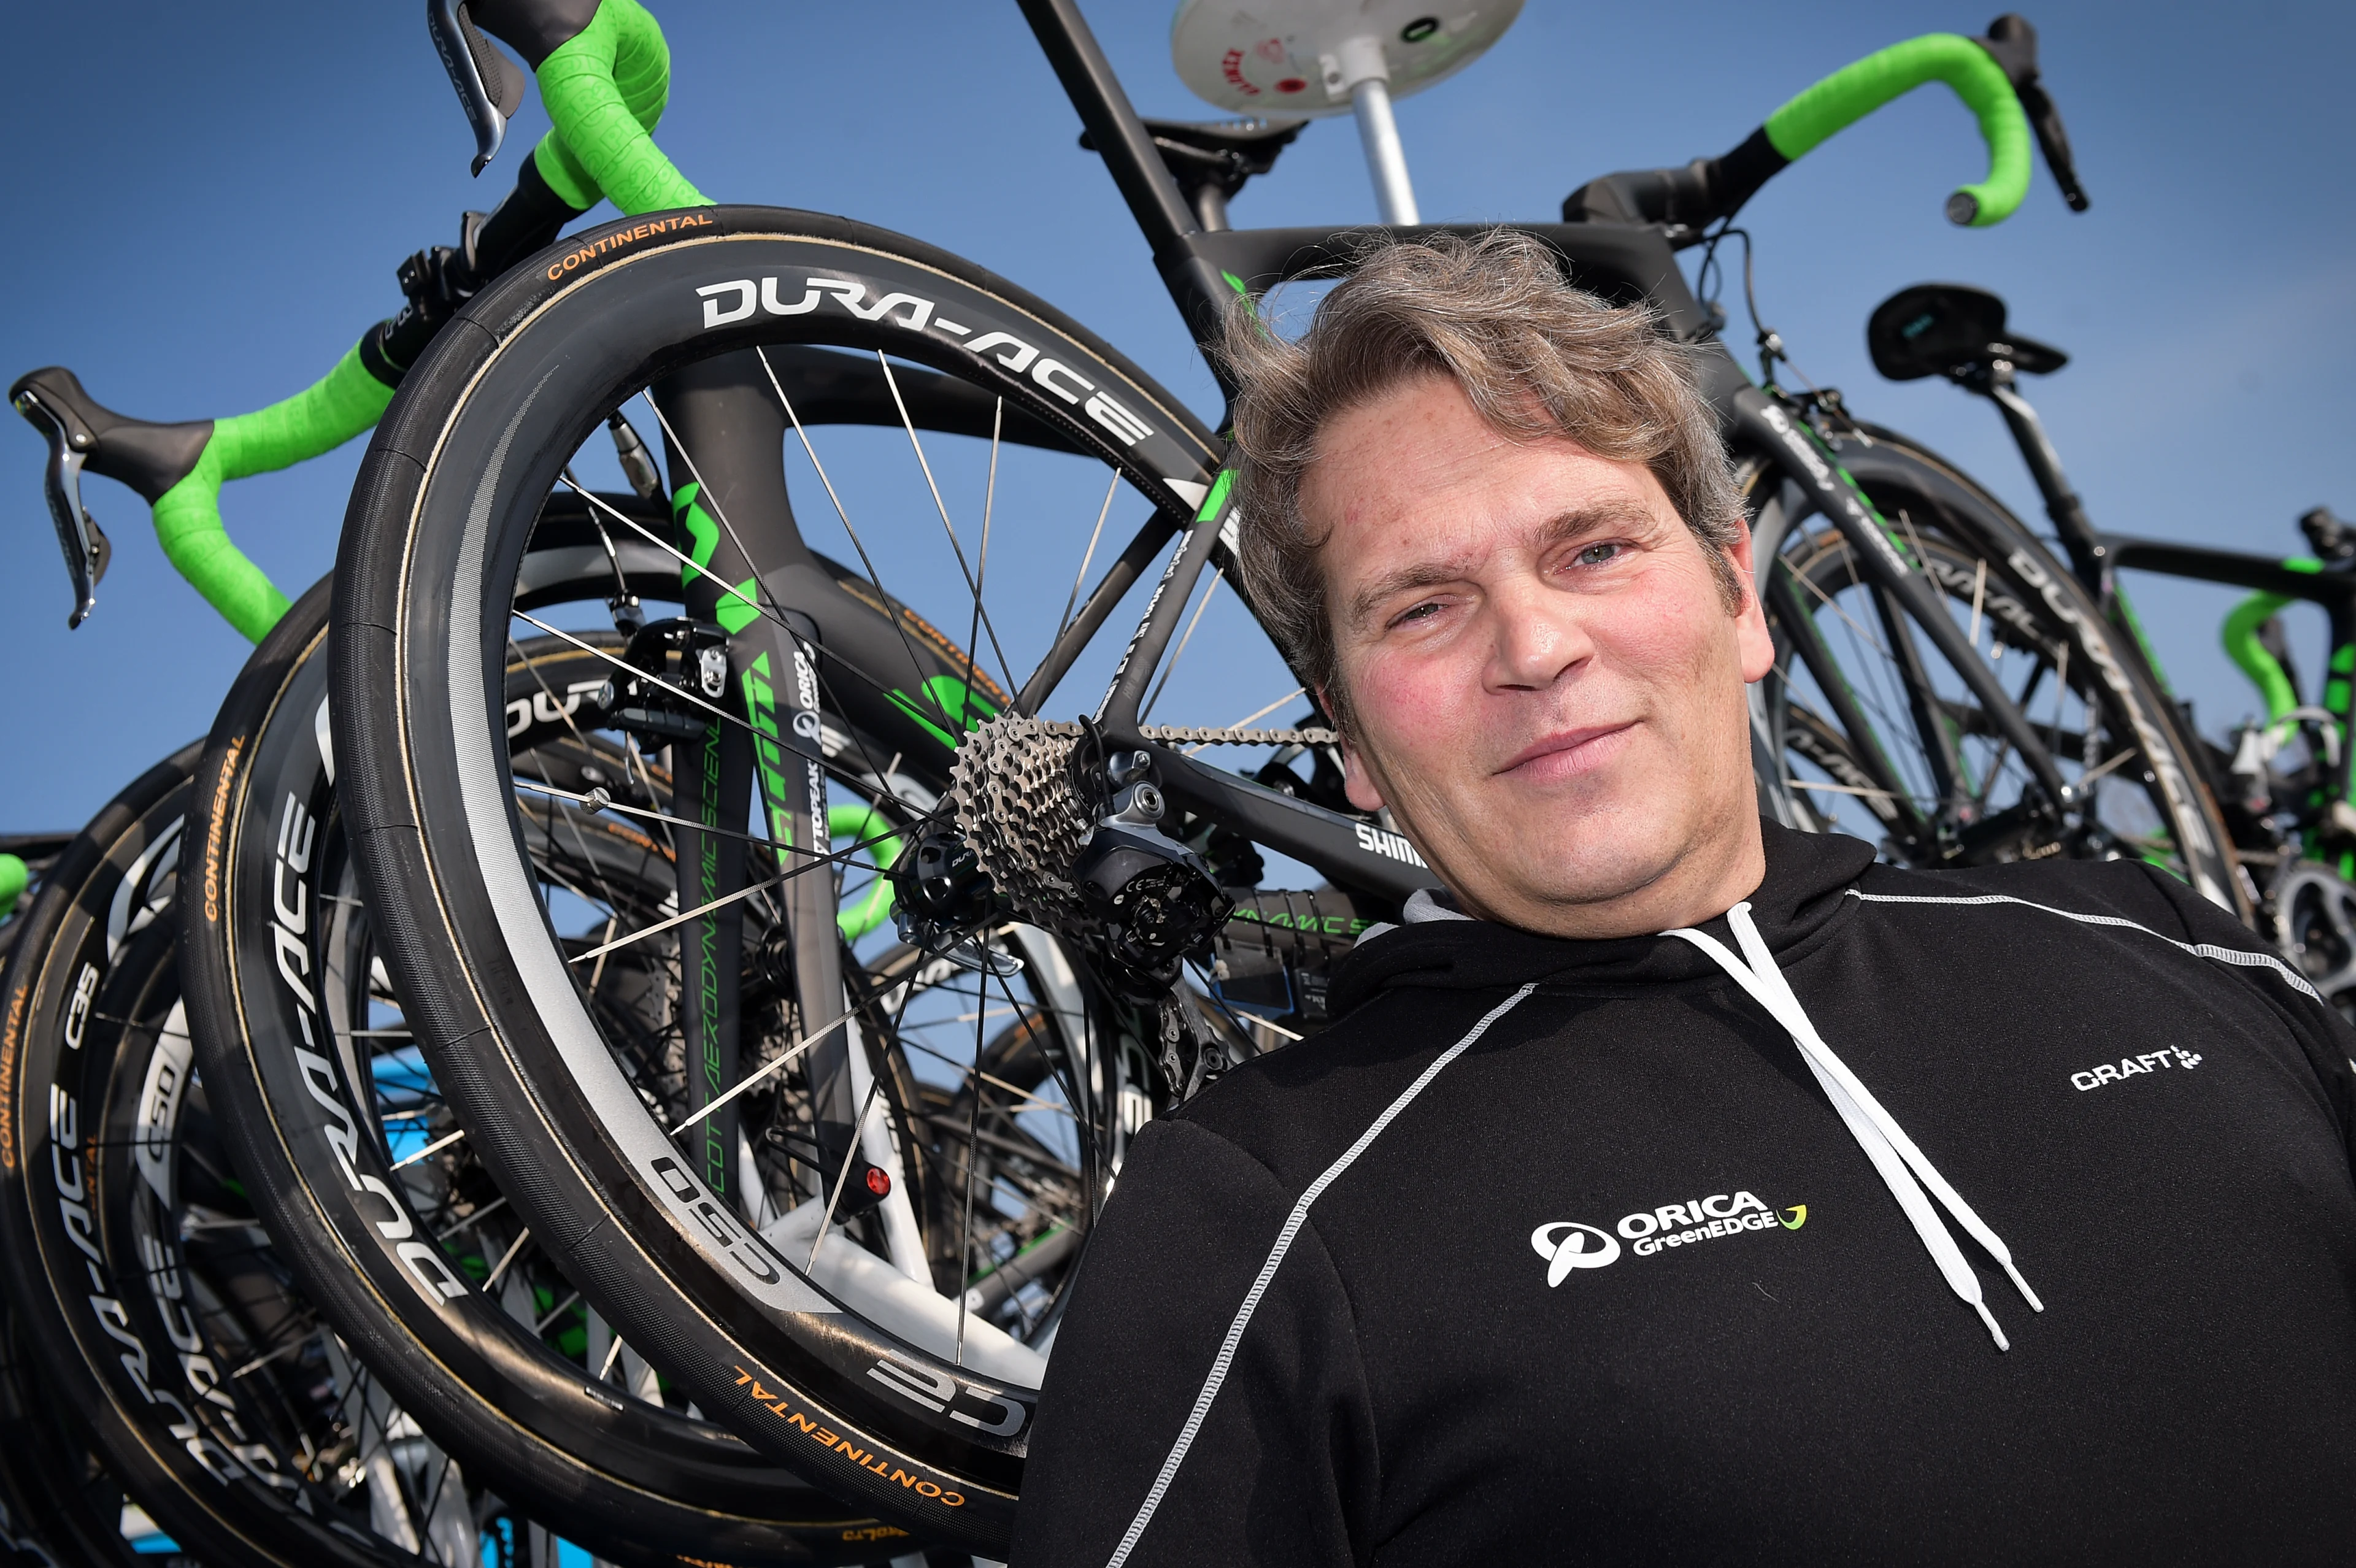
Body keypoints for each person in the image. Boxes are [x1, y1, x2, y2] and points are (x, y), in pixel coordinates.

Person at [1010, 232, 2356, 1565]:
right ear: (1350, 742)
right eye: (1421, 608)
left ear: (1737, 596)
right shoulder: (1251, 1218)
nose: (1536, 648)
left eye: (1592, 550)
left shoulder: (2163, 944)